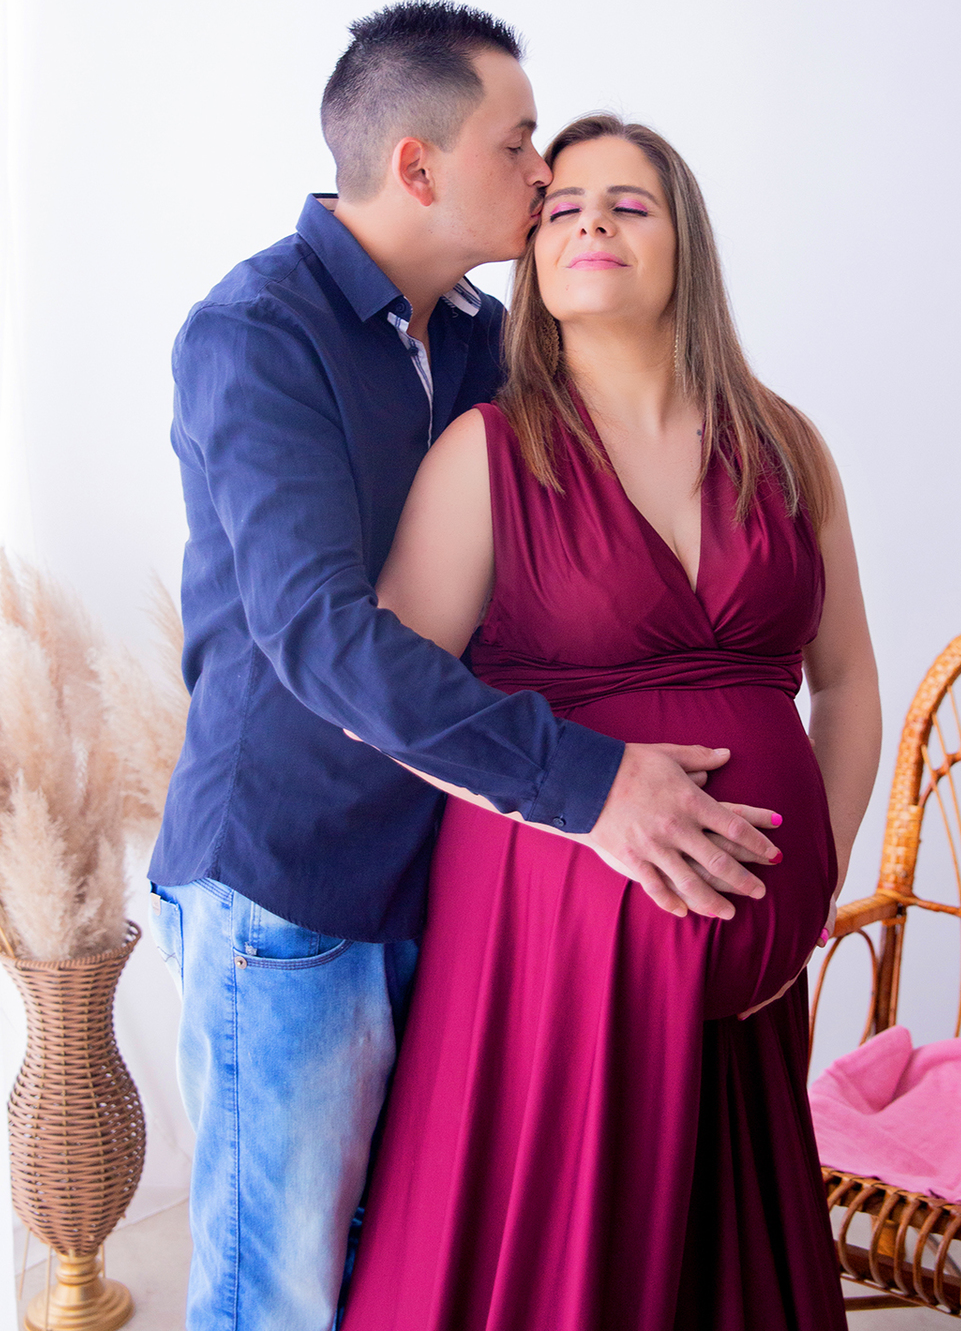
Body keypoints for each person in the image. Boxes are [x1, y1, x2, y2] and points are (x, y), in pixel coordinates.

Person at [148, 8, 783, 1331]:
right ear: (418, 165)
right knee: (277, 1295)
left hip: (445, 881)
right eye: (520, 143)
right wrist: (597, 787)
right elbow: (320, 635)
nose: (544, 174)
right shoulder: (258, 334)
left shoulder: (480, 342)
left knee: (403, 1277)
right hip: (290, 883)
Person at [343, 115, 883, 1331]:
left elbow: (847, 682)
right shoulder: (485, 455)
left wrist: (814, 881)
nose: (592, 218)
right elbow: (388, 699)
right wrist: (577, 813)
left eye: (630, 203)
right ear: (534, 257)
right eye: (563, 204)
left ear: (685, 243)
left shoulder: (786, 447)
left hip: (750, 973)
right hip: (550, 947)